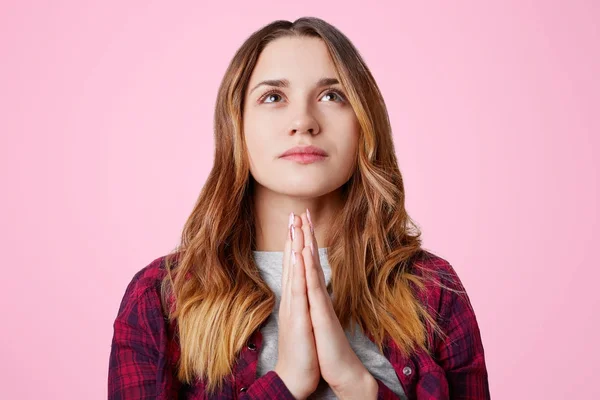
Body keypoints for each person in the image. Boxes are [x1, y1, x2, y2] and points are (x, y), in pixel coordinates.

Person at [108, 16, 490, 400]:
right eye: (273, 97)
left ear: (363, 122)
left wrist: (356, 384)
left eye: (331, 96)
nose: (304, 122)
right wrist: (287, 381)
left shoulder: (433, 290)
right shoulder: (159, 299)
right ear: (236, 126)